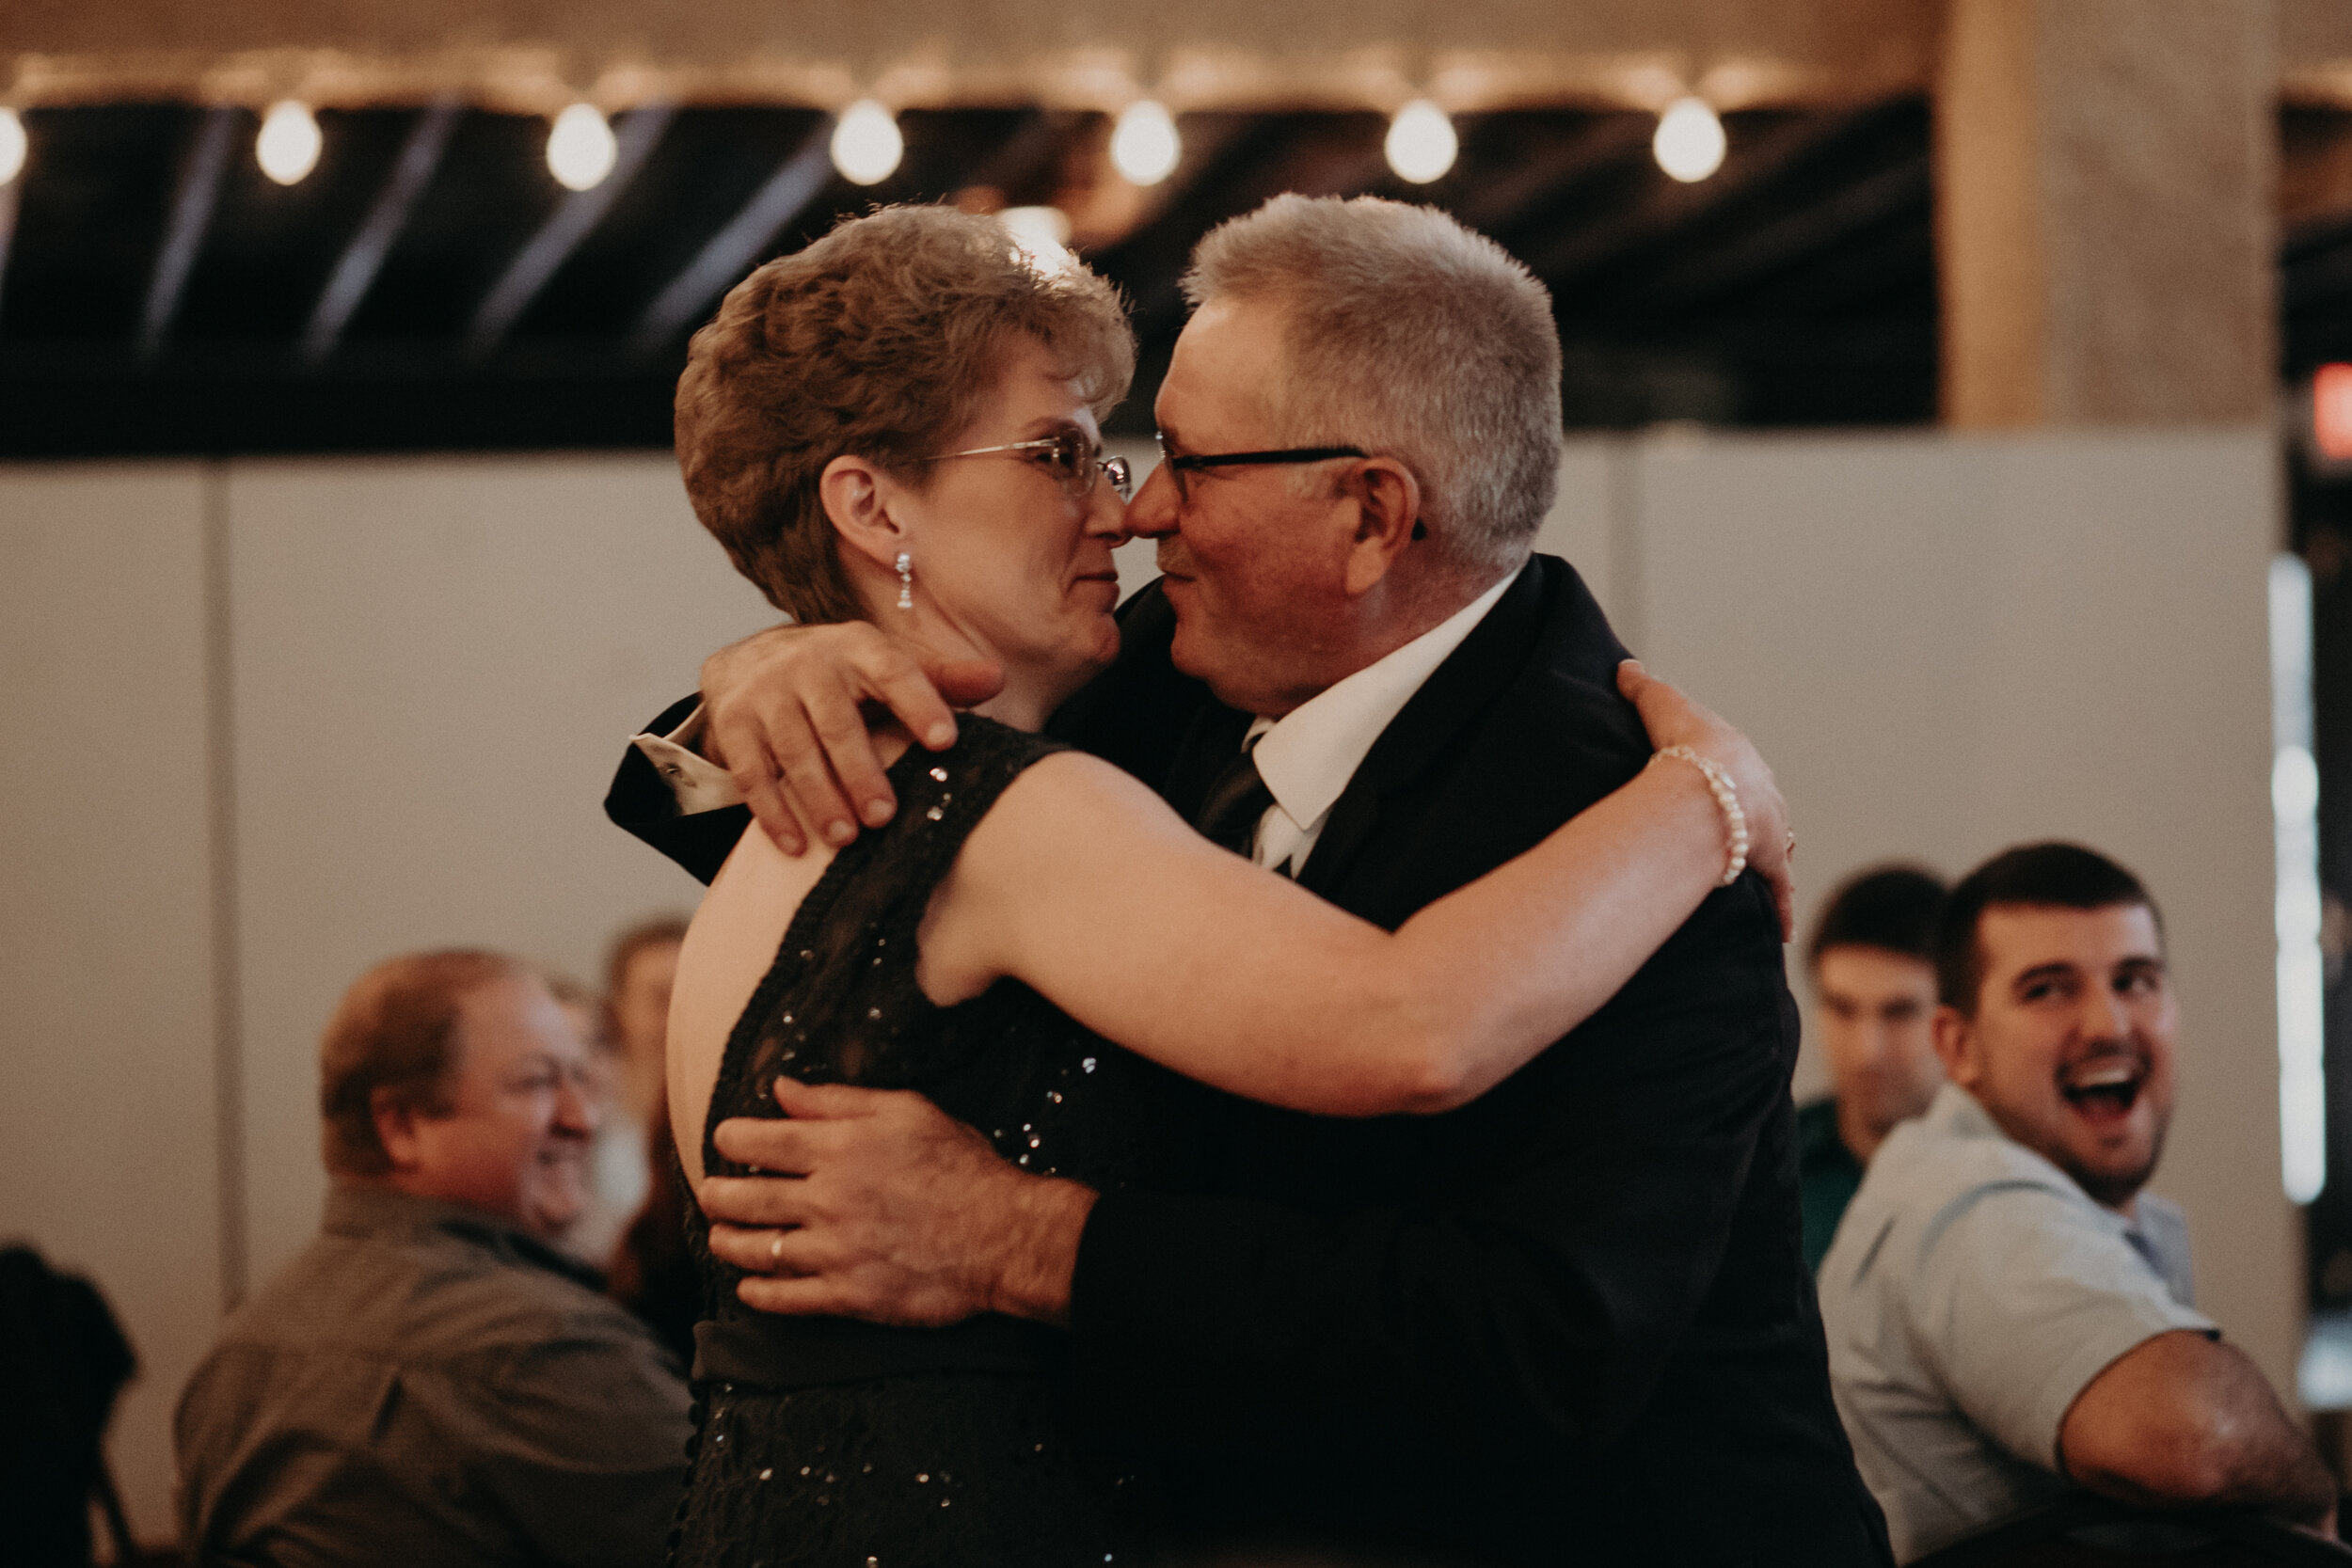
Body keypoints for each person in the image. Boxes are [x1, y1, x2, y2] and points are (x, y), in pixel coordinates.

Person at [611, 197, 1885, 1566]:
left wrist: (1028, 1238)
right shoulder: (1132, 683)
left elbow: (1531, 1343)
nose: (1141, 505)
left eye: (1189, 461)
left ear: (1369, 514)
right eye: (1077, 453)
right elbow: (877, 891)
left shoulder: (1612, 830)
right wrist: (766, 667)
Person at [1818, 844, 2335, 1560]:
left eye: (2136, 979)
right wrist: (2313, 1494)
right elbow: (2194, 1434)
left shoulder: (2025, 1191)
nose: (2108, 1023)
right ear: (1958, 1046)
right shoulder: (1969, 1207)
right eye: (2048, 988)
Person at [175, 950, 691, 1568]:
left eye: (581, 1079)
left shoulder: (236, 1354)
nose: (584, 1118)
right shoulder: (547, 1351)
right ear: (402, 1126)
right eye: (537, 1082)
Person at [1798, 865, 1947, 1272]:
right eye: (1842, 1009)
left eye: (1900, 1013)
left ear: (1955, 1021)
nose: (1867, 1052)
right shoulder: (1761, 1167)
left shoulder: (2014, 1174)